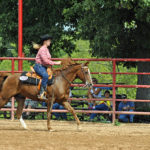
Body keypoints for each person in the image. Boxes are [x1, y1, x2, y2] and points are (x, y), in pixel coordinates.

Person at [33, 34, 61, 100]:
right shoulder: (43, 49)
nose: (50, 42)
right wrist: (56, 63)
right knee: (45, 76)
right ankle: (41, 93)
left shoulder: (45, 49)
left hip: (43, 67)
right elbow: (45, 60)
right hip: (39, 66)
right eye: (49, 41)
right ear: (45, 41)